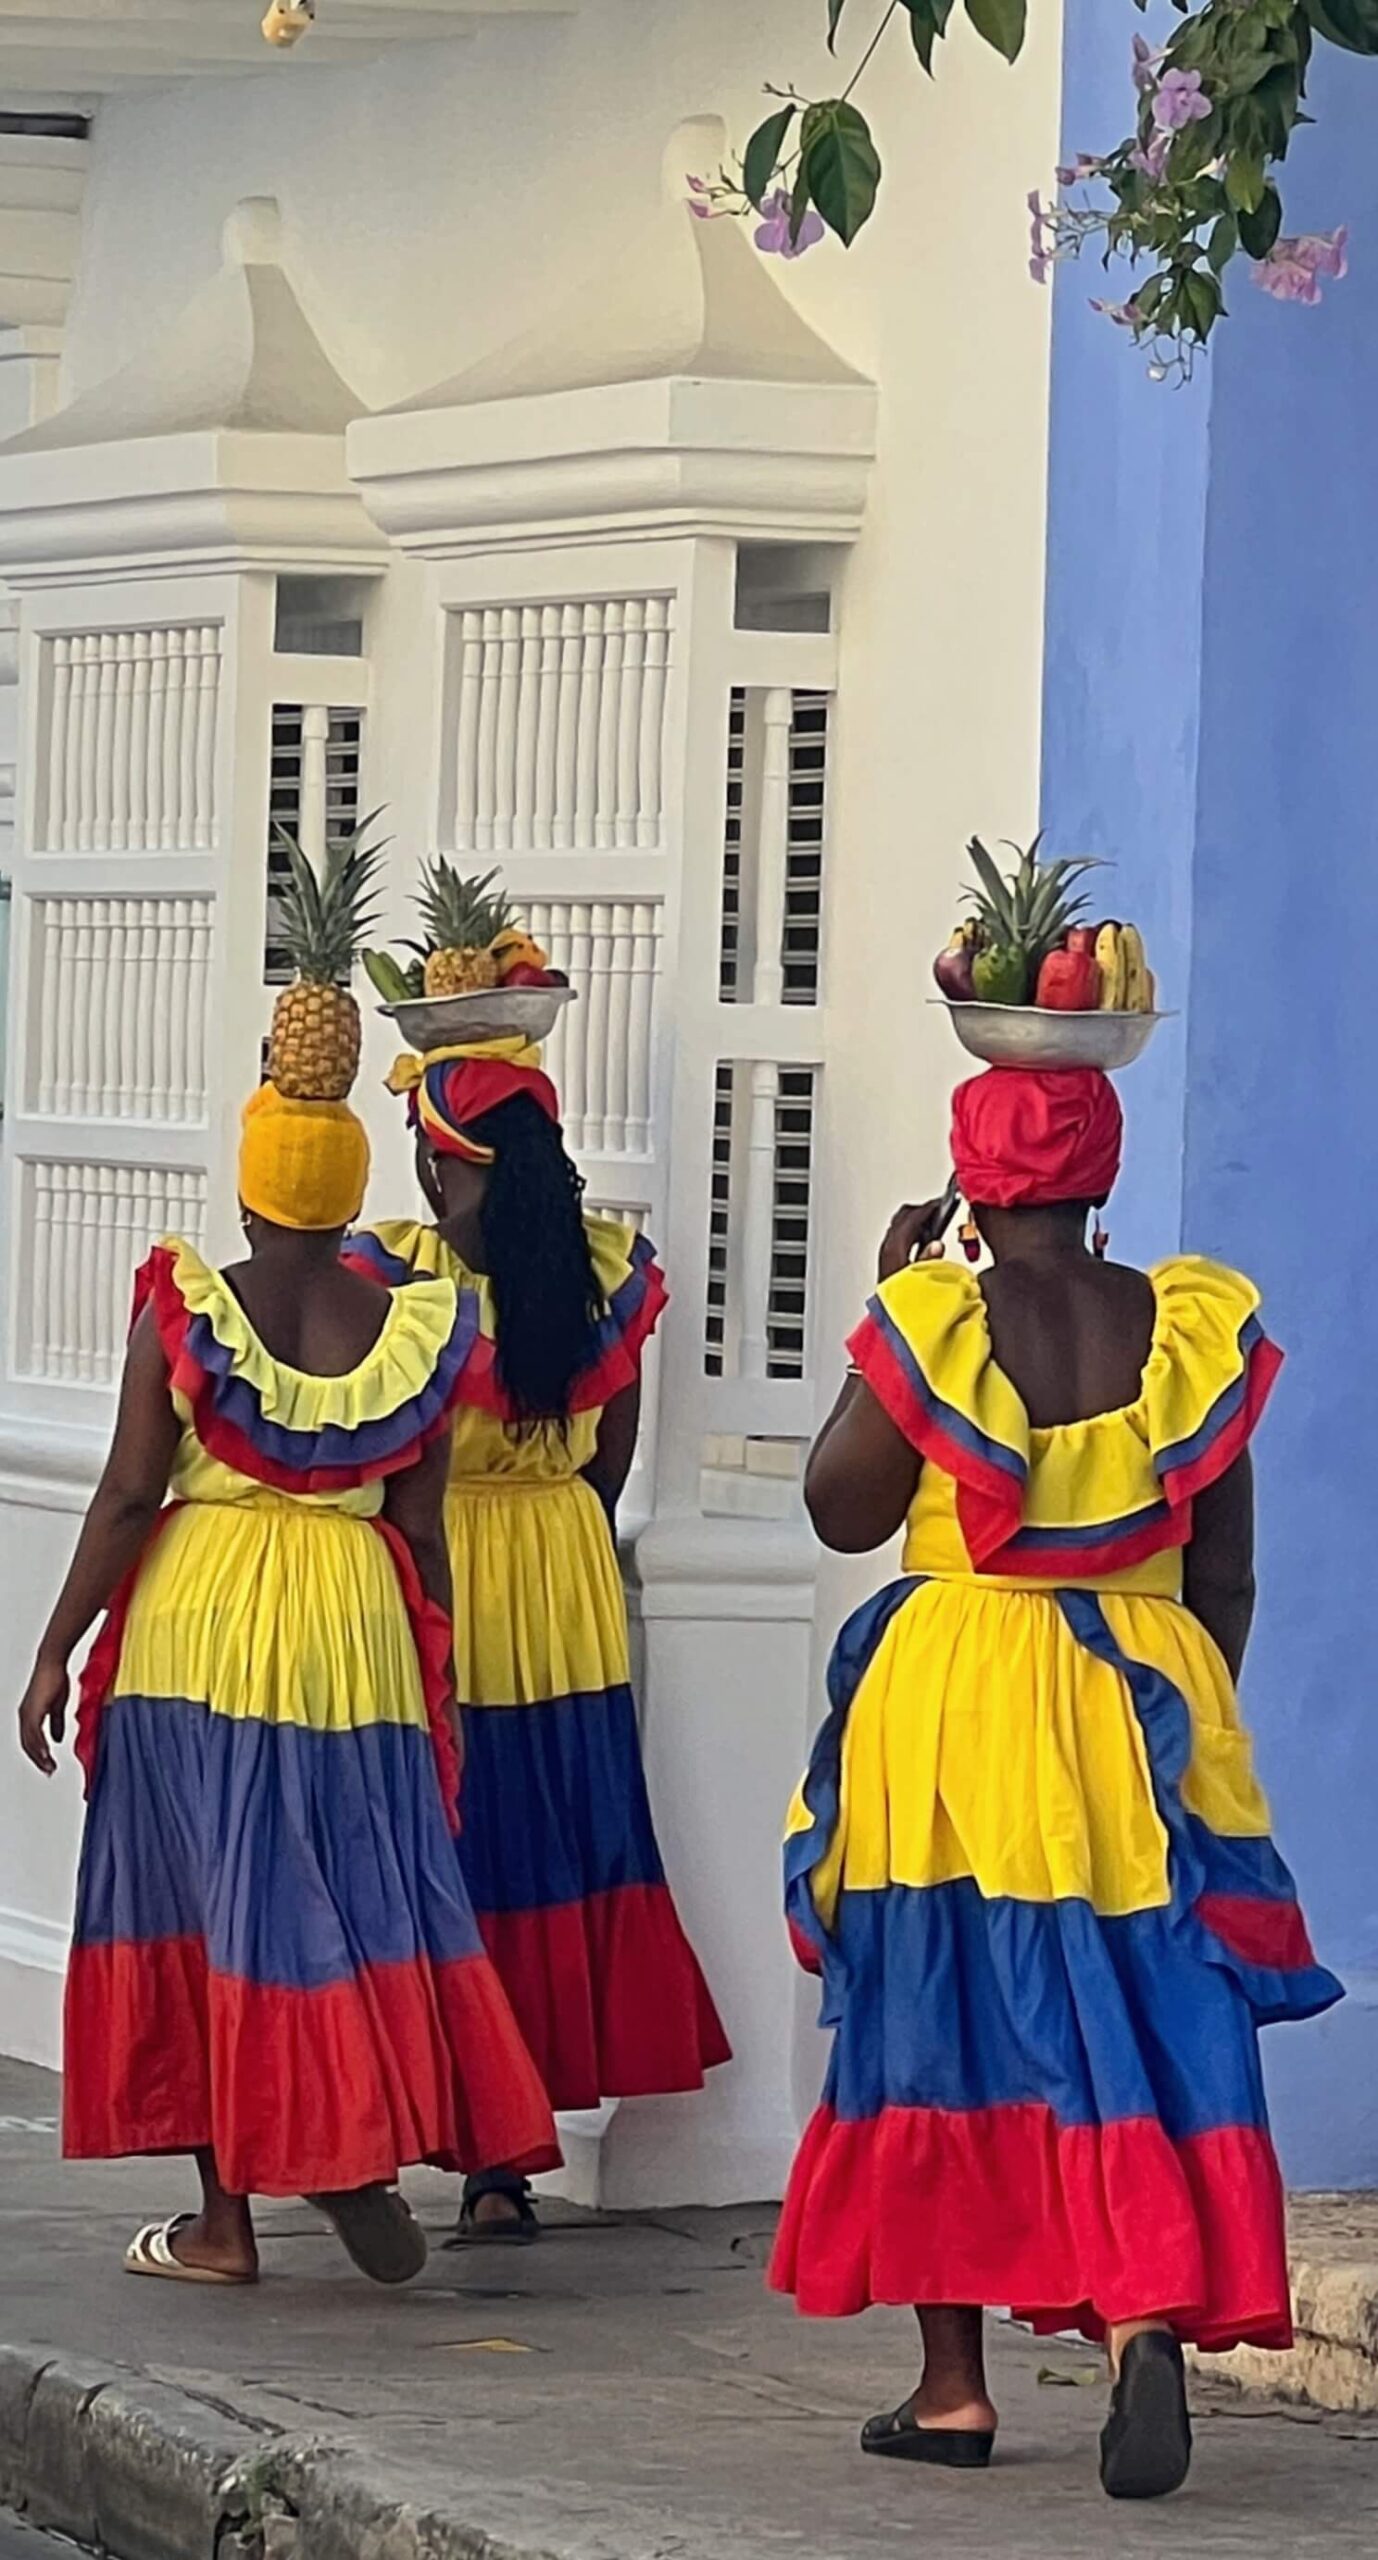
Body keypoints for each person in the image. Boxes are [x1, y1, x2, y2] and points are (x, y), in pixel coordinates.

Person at [769, 1065, 1341, 2500]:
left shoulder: (934, 1320)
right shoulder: (1186, 1329)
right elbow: (1225, 1572)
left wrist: (883, 1312)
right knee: (1128, 2012)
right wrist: (1177, 1719)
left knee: (941, 2011)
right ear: (1099, 1177)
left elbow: (843, 1512)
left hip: (955, 1698)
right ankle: (1138, 2316)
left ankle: (951, 2388)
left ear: (971, 1180)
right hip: (1134, 1701)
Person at [17, 1078, 557, 2286]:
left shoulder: (190, 1307)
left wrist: (56, 1647)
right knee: (348, 1895)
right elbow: (422, 1529)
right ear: (351, 1190)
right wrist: (442, 1669)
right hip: (352, 1630)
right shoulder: (415, 1328)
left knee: (211, 1906)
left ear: (253, 1194)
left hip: (196, 1632)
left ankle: (225, 2222)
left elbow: (123, 1498)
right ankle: (346, 2138)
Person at [347, 1035, 730, 2238]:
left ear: (447, 1166)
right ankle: (502, 2170)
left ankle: (418, 2126)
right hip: (563, 1578)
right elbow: (608, 1462)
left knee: (439, 1851)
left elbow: (372, 1443)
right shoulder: (595, 1279)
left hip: (444, 1566)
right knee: (543, 1855)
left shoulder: (396, 1286)